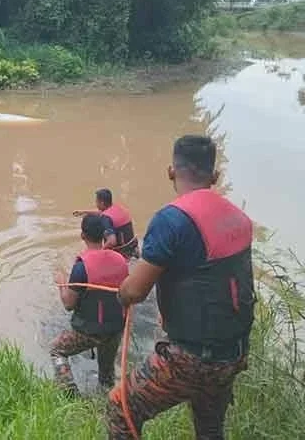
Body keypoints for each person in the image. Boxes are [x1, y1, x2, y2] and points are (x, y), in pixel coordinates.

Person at [106, 135, 255, 439]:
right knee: (209, 425)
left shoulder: (171, 219)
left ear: (171, 172)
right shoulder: (240, 219)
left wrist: (121, 292)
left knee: (120, 408)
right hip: (235, 353)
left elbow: (134, 292)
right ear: (215, 176)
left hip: (193, 358)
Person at [51, 214, 130, 396]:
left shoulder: (81, 267)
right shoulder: (120, 260)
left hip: (90, 331)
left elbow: (68, 305)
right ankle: (107, 403)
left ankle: (71, 397)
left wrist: (62, 283)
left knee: (56, 350)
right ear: (104, 235)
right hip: (116, 327)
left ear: (82, 236)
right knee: (106, 375)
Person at [74, 188, 139, 258]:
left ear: (101, 203)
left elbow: (112, 241)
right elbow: (102, 212)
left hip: (122, 254)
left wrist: (99, 253)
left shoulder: (106, 218)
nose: (95, 203)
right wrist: (84, 212)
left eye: (96, 201)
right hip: (133, 249)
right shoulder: (118, 208)